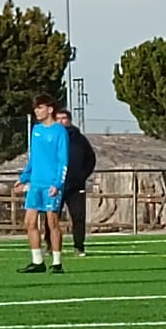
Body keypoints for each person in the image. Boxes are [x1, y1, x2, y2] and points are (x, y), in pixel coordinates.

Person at [19, 94, 69, 274]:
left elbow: (63, 160)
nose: (36, 111)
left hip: (51, 185)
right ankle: (37, 261)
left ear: (50, 109)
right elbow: (34, 158)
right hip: (35, 184)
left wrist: (58, 183)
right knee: (29, 222)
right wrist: (24, 177)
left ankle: (57, 262)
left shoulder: (59, 131)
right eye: (35, 108)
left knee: (52, 222)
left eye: (40, 107)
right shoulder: (36, 130)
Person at [56, 108, 97, 256]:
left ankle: (79, 246)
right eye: (58, 118)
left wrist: (82, 176)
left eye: (64, 118)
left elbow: (91, 159)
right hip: (56, 186)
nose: (61, 121)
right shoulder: (52, 138)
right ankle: (51, 245)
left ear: (70, 120)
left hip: (76, 186)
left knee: (78, 216)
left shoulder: (80, 139)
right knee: (52, 217)